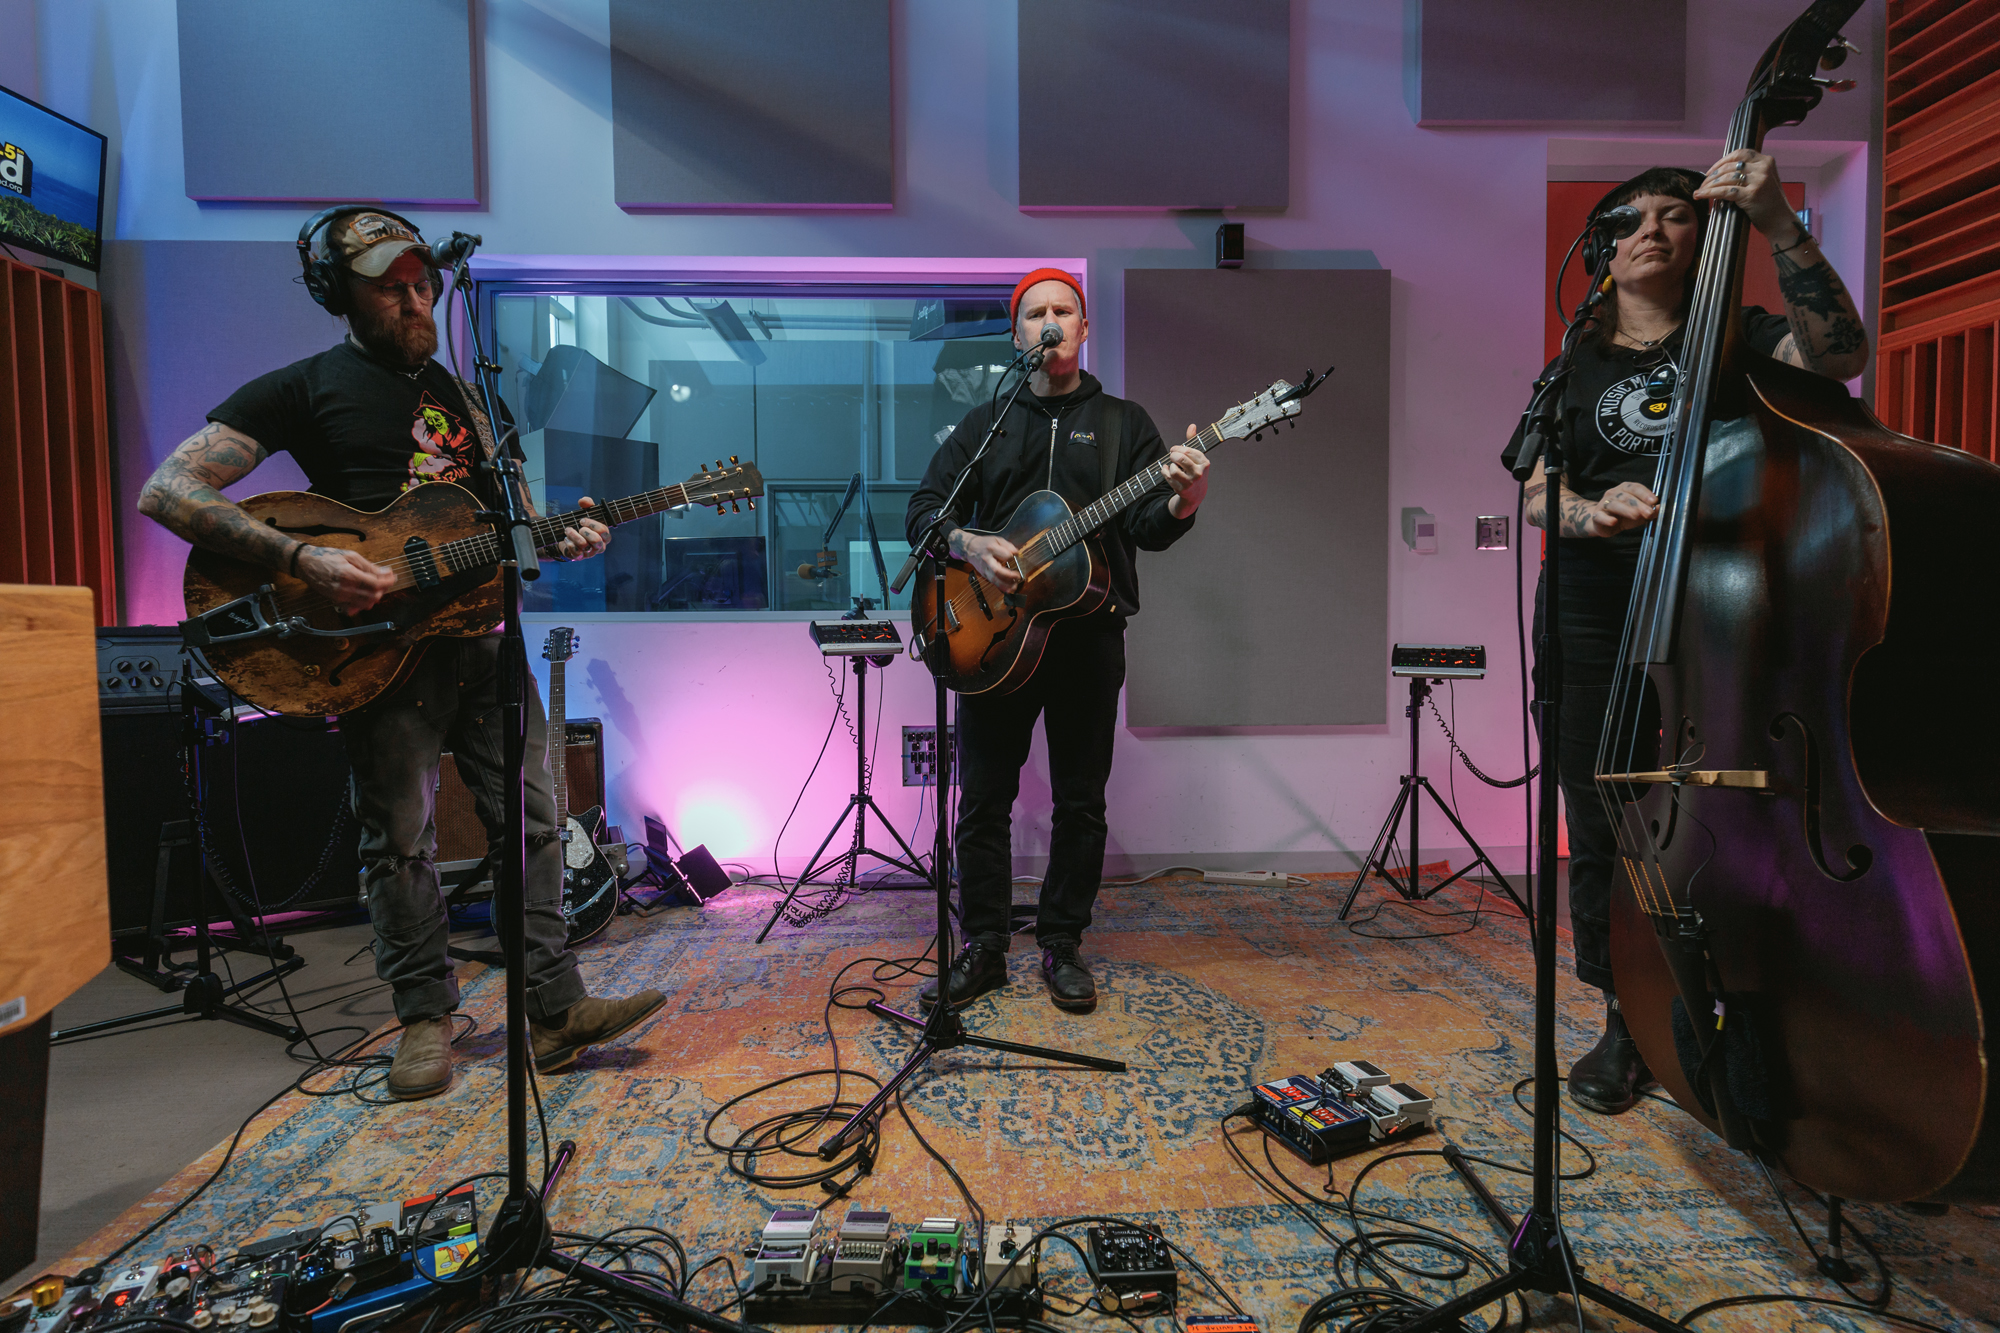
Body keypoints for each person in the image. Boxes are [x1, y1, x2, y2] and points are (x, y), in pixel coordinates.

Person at [137, 209, 665, 1100]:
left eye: (422, 284)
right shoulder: (304, 387)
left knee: (537, 825)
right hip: (380, 655)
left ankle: (555, 1006)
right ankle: (424, 1017)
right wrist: (301, 558)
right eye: (390, 287)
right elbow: (168, 488)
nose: (415, 300)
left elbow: (511, 521)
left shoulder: (471, 394)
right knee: (400, 844)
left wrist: (562, 534)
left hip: (485, 644)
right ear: (336, 293)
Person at [1501, 156, 1871, 1114]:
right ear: (1602, 249)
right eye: (1630, 219)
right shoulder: (1572, 363)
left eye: (1675, 215)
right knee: (1600, 806)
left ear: (1706, 240)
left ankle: (1753, 998)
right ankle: (1627, 1015)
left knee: (1727, 804)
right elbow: (1535, 488)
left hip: (1724, 594)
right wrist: (1587, 514)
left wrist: (1779, 222)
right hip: (1592, 601)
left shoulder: (1741, 338)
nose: (1651, 229)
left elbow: (1840, 357)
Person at [904, 268, 1210, 1013]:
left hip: (1086, 642)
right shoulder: (986, 423)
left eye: (1063, 310)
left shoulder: (1124, 424)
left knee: (1081, 802)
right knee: (983, 800)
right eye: (1035, 312)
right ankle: (983, 945)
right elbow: (924, 510)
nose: (1050, 322)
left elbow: (1146, 527)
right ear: (1017, 335)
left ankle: (1062, 942)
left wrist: (1185, 498)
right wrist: (968, 544)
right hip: (992, 638)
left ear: (1083, 327)